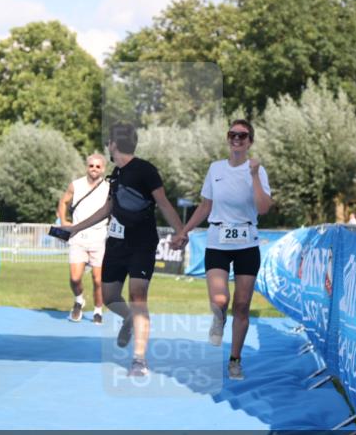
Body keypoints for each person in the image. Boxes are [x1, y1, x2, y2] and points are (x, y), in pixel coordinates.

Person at [62, 123, 188, 377]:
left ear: (114, 145)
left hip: (142, 242)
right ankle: (129, 318)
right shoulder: (116, 175)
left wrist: (180, 231)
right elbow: (107, 209)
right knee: (109, 297)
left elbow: (163, 203)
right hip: (116, 244)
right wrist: (76, 228)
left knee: (138, 295)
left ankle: (139, 360)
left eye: (108, 143)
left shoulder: (145, 170)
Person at [173, 120, 272, 381]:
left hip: (247, 243)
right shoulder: (215, 168)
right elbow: (205, 206)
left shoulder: (257, 171)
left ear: (250, 141)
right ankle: (218, 320)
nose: (237, 139)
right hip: (218, 240)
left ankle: (235, 359)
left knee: (241, 305)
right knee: (220, 301)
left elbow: (263, 208)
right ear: (228, 139)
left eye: (243, 135)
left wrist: (253, 175)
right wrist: (185, 231)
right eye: (233, 135)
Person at [56, 153, 110, 324]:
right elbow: (63, 201)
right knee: (75, 278)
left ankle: (98, 310)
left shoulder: (109, 187)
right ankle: (79, 300)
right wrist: (64, 220)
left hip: (98, 237)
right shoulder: (76, 185)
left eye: (98, 166)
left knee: (98, 280)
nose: (94, 169)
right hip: (77, 237)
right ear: (87, 167)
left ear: (103, 169)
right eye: (91, 166)